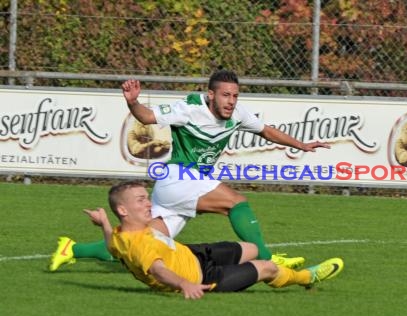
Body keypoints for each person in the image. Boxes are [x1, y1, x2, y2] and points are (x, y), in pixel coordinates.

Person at [50, 70, 330, 272]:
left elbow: (266, 131)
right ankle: (269, 260)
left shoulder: (238, 113)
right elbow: (147, 118)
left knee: (143, 244)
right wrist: (133, 102)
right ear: (211, 95)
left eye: (234, 95)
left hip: (181, 188)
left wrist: (300, 144)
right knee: (236, 203)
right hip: (179, 178)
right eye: (225, 95)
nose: (231, 101)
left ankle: (71, 249)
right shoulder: (189, 110)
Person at [83, 180, 343, 299]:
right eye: (141, 200)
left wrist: (104, 224)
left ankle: (288, 274)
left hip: (194, 254)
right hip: (203, 279)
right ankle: (307, 278)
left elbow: (112, 247)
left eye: (146, 197)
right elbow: (158, 270)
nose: (148, 203)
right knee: (268, 268)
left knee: (252, 249)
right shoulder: (140, 245)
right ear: (124, 210)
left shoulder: (122, 234)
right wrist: (185, 284)